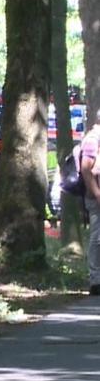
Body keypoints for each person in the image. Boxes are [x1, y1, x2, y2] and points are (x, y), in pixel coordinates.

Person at [78, 110, 100, 294]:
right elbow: (86, 169)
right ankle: (96, 279)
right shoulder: (93, 140)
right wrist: (97, 194)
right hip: (97, 197)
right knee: (97, 237)